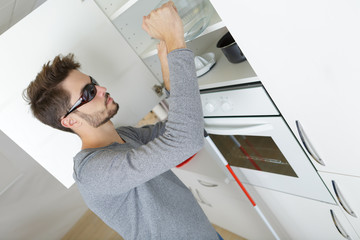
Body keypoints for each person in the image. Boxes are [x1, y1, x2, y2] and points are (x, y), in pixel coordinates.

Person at [24, 2, 222, 240]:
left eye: (94, 82)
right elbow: (186, 141)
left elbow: (191, 127)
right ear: (69, 121)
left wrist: (169, 77)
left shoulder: (126, 135)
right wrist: (175, 39)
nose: (102, 89)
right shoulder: (94, 173)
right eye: (88, 93)